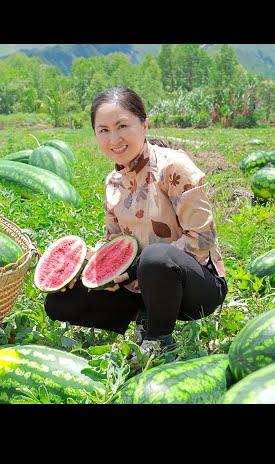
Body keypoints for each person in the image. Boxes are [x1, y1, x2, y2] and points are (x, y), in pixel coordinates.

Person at [44, 87, 228, 360]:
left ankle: (158, 338)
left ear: (144, 125)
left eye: (122, 126)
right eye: (103, 130)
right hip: (140, 284)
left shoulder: (174, 168)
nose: (114, 139)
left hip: (195, 286)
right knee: (59, 303)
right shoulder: (113, 183)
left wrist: (136, 271)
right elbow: (113, 244)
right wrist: (80, 268)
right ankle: (145, 313)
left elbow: (202, 240)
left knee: (155, 259)